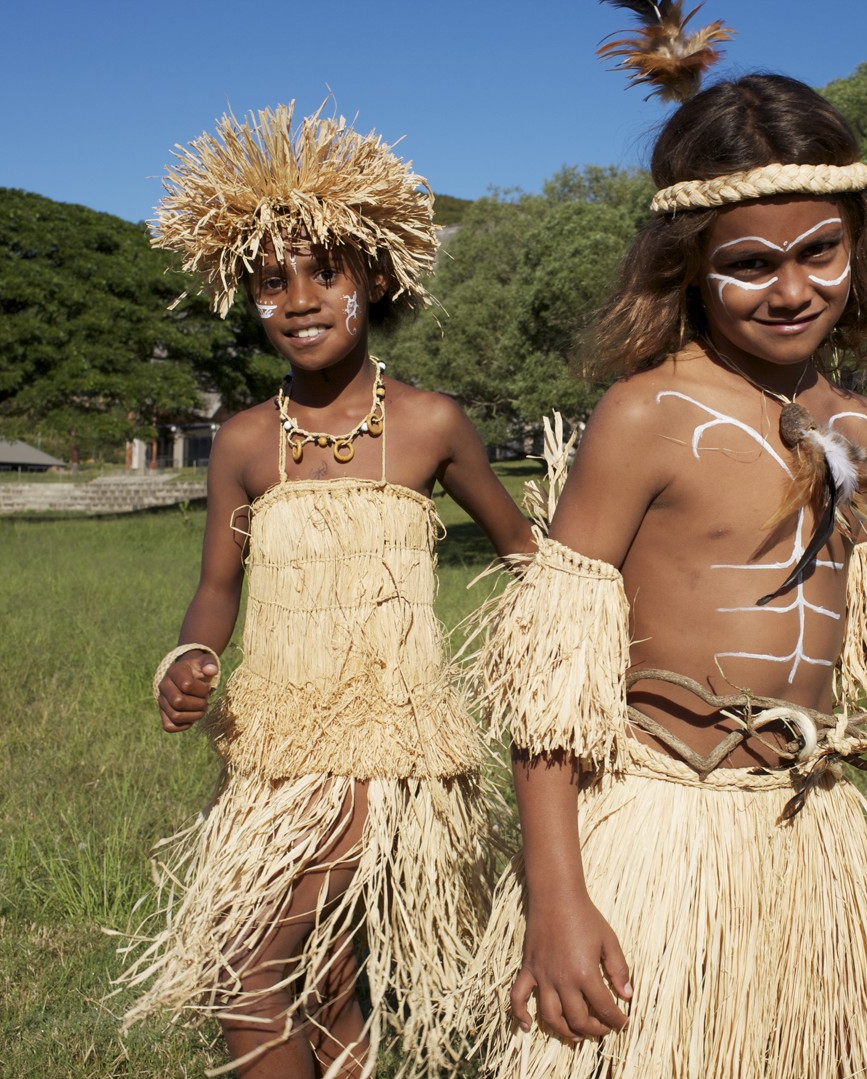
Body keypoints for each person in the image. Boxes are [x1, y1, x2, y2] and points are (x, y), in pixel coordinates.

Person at [462, 11, 867, 1078]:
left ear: (858, 243)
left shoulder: (861, 428)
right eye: (750, 263)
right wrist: (557, 896)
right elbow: (553, 676)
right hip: (658, 830)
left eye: (819, 251)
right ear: (686, 266)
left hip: (801, 830)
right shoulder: (647, 415)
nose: (790, 288)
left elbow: (858, 614)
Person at [112, 102, 534, 1079]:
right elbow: (217, 587)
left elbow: (522, 550)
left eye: (323, 271)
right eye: (272, 278)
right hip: (271, 748)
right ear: (245, 294)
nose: (298, 297)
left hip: (386, 750)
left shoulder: (430, 424)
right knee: (321, 980)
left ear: (375, 277)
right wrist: (190, 657)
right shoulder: (248, 442)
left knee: (241, 968)